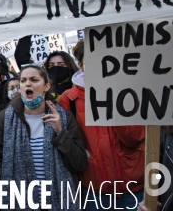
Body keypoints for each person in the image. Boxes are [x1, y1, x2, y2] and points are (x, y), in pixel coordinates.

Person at [58, 40, 146, 210]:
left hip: (132, 186)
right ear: (81, 65)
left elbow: (136, 137)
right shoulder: (68, 99)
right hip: (94, 190)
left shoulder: (128, 91)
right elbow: (67, 141)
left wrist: (114, 104)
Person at [0, 64, 87, 210]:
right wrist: (3, 190)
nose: (27, 83)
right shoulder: (5, 118)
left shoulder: (64, 117)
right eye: (23, 80)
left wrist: (60, 132)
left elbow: (79, 164)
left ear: (46, 86)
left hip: (58, 201)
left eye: (34, 80)